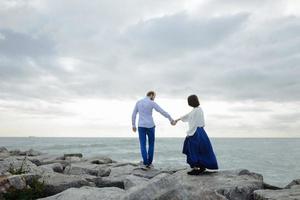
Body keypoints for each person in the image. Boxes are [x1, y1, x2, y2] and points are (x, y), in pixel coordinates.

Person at [173, 94, 218, 175]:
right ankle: (201, 166)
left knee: (193, 150)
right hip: (201, 132)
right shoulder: (198, 109)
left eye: (188, 101)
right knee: (201, 150)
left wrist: (189, 133)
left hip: (195, 132)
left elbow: (194, 123)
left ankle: (197, 168)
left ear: (191, 102)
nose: (188, 103)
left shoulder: (195, 111)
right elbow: (187, 115)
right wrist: (178, 119)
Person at [132, 91, 175, 168]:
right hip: (150, 126)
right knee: (151, 144)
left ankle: (145, 162)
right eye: (154, 96)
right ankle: (149, 162)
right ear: (151, 95)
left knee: (142, 145)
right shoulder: (151, 102)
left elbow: (134, 114)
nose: (154, 98)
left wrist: (133, 125)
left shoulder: (138, 102)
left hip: (141, 126)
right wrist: (170, 119)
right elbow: (162, 111)